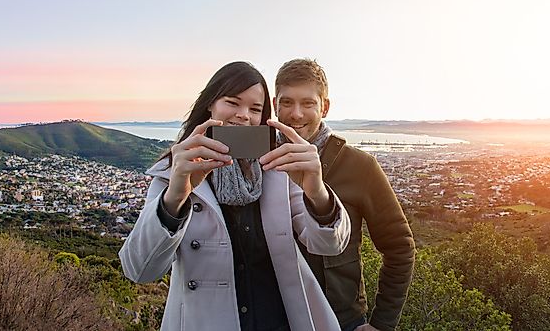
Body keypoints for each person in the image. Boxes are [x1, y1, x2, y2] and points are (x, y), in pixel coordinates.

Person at [119, 61, 351, 331]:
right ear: (210, 104)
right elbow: (140, 270)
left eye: (255, 109)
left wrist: (316, 190)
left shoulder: (277, 169)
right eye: (233, 102)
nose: (243, 115)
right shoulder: (175, 173)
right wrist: (175, 197)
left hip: (280, 321)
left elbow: (328, 245)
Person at [274, 59, 415, 331]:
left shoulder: (359, 167)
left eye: (308, 103)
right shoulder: (260, 162)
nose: (296, 114)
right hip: (272, 317)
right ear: (274, 104)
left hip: (339, 320)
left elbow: (399, 246)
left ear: (324, 107)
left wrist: (382, 323)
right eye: (287, 102)